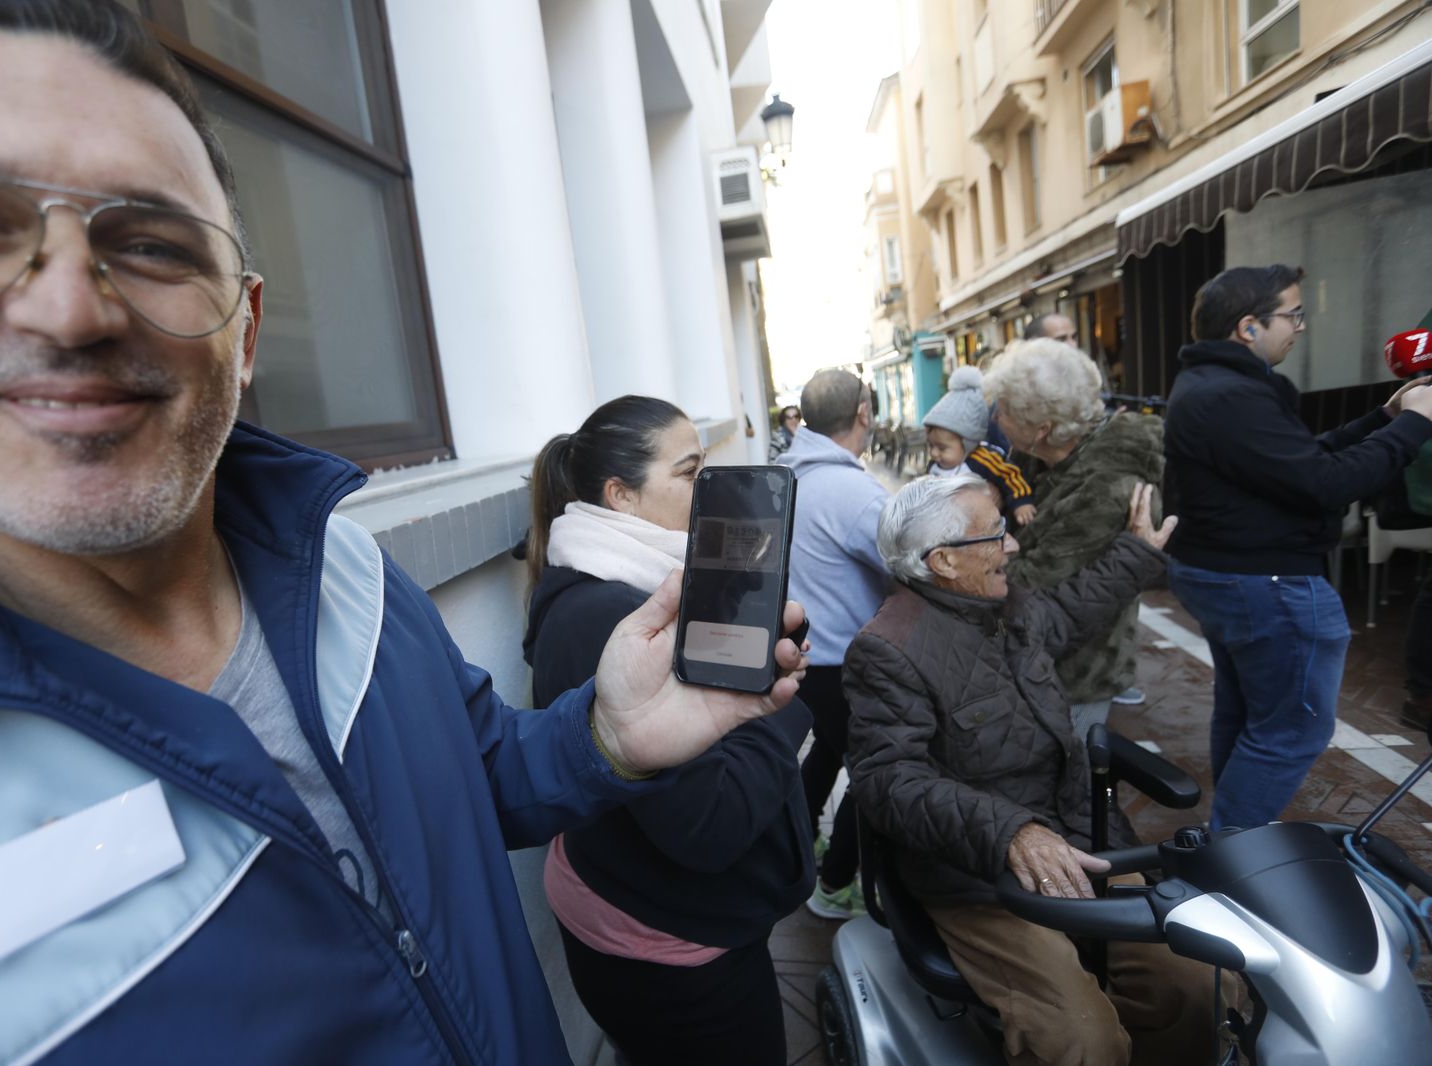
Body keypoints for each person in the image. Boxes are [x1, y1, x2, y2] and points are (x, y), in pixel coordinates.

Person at [0, 5, 811, 1064]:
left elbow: (475, 773)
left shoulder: (338, 562)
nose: (70, 308)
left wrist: (603, 739)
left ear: (243, 330)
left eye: (151, 241)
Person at [846, 475, 1220, 1066]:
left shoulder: (1005, 605)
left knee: (1196, 981)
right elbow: (887, 780)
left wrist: (1139, 551)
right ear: (943, 560)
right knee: (1081, 1041)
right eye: (996, 534)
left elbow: (1072, 608)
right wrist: (1010, 832)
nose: (1013, 544)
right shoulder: (888, 647)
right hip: (977, 875)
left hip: (1080, 839)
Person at [521, 395, 814, 1066]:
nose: (710, 489)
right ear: (621, 495)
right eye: (690, 473)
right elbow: (708, 825)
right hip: (668, 948)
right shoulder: (604, 616)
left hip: (665, 921)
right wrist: (783, 705)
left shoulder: (651, 583)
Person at [1164, 265, 1432, 830]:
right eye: (1293, 314)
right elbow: (1327, 482)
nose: (1301, 327)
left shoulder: (1213, 385)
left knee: (1248, 716)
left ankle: (1230, 845)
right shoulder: (1234, 395)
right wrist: (1414, 428)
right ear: (1248, 327)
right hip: (1268, 583)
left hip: (1230, 575)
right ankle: (1234, 854)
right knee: (1292, 729)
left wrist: (1384, 417)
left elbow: (1299, 461)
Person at [984, 338, 1161, 736]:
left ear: (1041, 428)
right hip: (1033, 658)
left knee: (1066, 774)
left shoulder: (1107, 484)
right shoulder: (1033, 457)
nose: (996, 416)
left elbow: (1024, 583)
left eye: (1006, 410)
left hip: (1073, 674)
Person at [779, 368, 890, 919]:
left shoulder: (782, 474)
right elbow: (908, 563)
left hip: (799, 659)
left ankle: (798, 849)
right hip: (845, 661)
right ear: (864, 414)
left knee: (827, 749)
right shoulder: (853, 490)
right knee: (877, 775)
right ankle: (836, 884)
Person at [922, 365, 1035, 527]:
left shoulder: (983, 459)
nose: (933, 453)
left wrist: (1021, 502)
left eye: (941, 448)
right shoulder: (935, 466)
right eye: (930, 446)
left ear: (967, 443)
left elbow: (1010, 475)